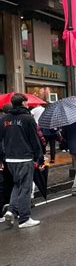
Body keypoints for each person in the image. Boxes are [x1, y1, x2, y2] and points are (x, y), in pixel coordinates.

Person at [0, 93, 44, 228]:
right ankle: (25, 218)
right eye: (26, 102)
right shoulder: (27, 118)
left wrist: (1, 157)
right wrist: (40, 157)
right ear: (24, 103)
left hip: (9, 158)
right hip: (24, 157)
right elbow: (34, 139)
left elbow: (1, 139)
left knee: (17, 185)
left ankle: (11, 210)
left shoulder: (4, 119)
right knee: (25, 187)